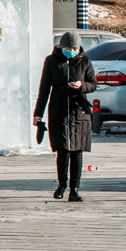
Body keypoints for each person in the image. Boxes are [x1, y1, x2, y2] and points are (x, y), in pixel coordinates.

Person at [33, 31, 97, 202]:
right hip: (59, 110)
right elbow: (44, 88)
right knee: (63, 149)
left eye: (75, 48)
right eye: (68, 48)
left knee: (77, 151)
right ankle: (62, 184)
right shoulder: (51, 61)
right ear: (61, 47)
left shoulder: (84, 60)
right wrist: (38, 114)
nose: (72, 51)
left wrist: (82, 85)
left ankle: (75, 189)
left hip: (79, 111)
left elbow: (93, 84)